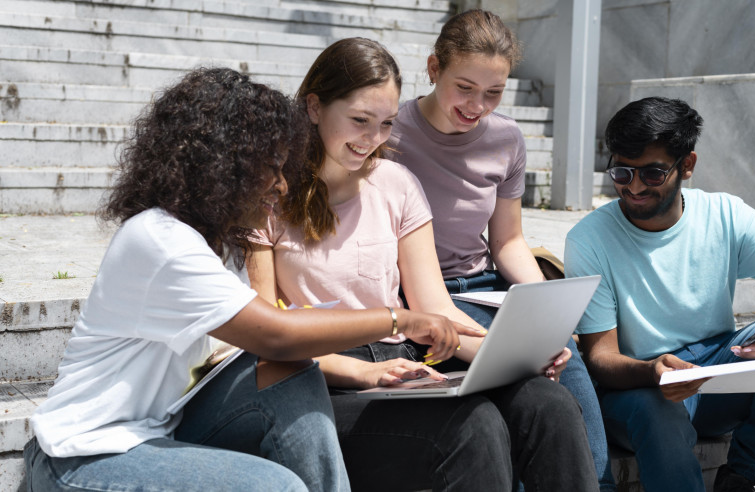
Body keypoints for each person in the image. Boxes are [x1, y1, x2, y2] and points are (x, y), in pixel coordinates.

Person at [23, 67, 480, 492]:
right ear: (221, 166)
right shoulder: (159, 240)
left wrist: (365, 370)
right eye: (272, 168)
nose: (283, 186)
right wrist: (397, 319)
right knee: (275, 486)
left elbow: (274, 353)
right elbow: (276, 334)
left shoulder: (218, 240)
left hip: (165, 424)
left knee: (291, 375)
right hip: (83, 456)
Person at [248, 37, 599, 491]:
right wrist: (364, 372)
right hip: (326, 379)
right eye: (359, 120)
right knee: (473, 426)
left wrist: (515, 356)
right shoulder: (268, 196)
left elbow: (437, 310)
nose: (373, 140)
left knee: (546, 403)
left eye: (387, 123)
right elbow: (264, 335)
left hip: (407, 362)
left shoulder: (395, 183)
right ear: (314, 107)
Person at [386, 9, 615, 490]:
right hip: (419, 299)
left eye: (494, 93)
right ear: (433, 69)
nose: (477, 106)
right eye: (464, 87)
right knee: (523, 392)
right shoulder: (391, 136)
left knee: (567, 367)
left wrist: (548, 313)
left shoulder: (506, 138)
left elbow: (508, 241)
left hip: (486, 290)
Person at [564, 96, 755, 492]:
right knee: (655, 410)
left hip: (717, 371)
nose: (633, 187)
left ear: (688, 166)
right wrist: (651, 372)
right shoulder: (589, 239)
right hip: (640, 387)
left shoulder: (726, 215)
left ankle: (740, 476)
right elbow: (599, 357)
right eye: (622, 173)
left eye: (652, 173)